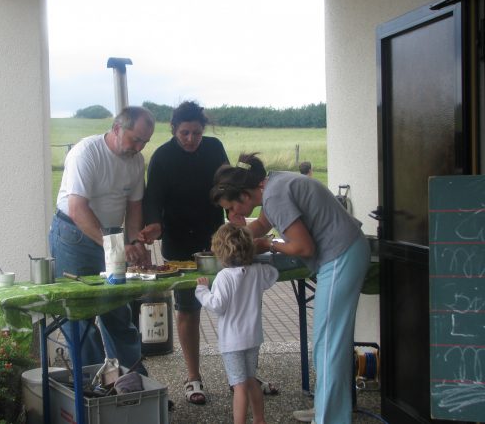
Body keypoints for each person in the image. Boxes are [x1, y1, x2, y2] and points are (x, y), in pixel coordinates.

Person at [210, 153, 370, 424]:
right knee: (327, 344)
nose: (232, 215)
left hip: (341, 256)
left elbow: (303, 247)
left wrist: (269, 245)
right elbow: (262, 224)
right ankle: (326, 410)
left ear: (244, 195)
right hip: (342, 254)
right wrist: (232, 238)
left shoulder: (274, 196)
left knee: (329, 346)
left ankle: (329, 418)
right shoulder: (271, 185)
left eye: (232, 209)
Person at [48, 106, 155, 374]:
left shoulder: (136, 161)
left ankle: (134, 384)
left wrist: (135, 243)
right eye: (136, 139)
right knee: (79, 316)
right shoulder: (87, 152)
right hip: (73, 234)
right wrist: (114, 245)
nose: (139, 147)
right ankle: (96, 386)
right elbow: (77, 208)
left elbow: (134, 208)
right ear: (117, 128)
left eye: (145, 142)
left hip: (111, 235)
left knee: (118, 311)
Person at [137, 100, 228, 404]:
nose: (191, 139)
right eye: (185, 133)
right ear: (173, 129)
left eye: (197, 133)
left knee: (234, 302)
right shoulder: (162, 157)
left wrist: (236, 207)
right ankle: (193, 377)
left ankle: (240, 373)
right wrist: (153, 225)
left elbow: (227, 186)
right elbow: (152, 199)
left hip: (216, 240)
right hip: (178, 243)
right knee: (188, 310)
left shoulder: (215, 149)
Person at [195, 223, 278, 424]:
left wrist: (202, 290)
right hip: (253, 337)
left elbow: (217, 305)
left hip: (232, 342)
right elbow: (273, 274)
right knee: (251, 380)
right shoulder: (258, 271)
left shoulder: (224, 277)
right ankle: (259, 419)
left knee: (239, 385)